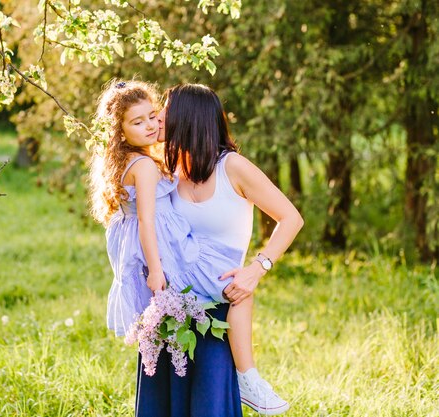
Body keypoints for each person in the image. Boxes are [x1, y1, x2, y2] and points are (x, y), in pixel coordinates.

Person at [88, 79, 246, 417]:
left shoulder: (132, 160)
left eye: (153, 116)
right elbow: (147, 221)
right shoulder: (144, 166)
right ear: (120, 131)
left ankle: (243, 376)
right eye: (137, 121)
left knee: (172, 328)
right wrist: (157, 270)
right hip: (164, 256)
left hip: (150, 253)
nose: (150, 125)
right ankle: (249, 378)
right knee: (234, 293)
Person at [156, 83, 304, 415]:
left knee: (210, 405)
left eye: (166, 107)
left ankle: (249, 378)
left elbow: (291, 218)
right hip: (174, 306)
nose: (160, 115)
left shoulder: (232, 167)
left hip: (222, 307)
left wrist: (257, 268)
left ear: (188, 116)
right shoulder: (169, 172)